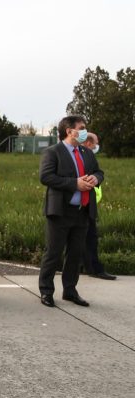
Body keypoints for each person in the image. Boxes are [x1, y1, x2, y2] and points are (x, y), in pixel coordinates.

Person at [39, 116, 104, 307]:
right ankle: (46, 291)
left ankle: (70, 290)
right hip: (60, 211)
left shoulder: (86, 152)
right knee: (53, 253)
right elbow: (46, 177)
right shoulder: (53, 152)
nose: (85, 131)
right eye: (81, 128)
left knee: (75, 254)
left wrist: (96, 178)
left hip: (82, 211)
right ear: (69, 131)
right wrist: (74, 183)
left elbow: (99, 172)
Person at [78, 132, 116, 280]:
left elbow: (99, 172)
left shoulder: (89, 155)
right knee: (72, 239)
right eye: (96, 142)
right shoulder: (69, 154)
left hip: (89, 204)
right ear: (88, 143)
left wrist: (97, 177)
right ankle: (80, 266)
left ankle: (91, 267)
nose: (97, 146)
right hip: (73, 203)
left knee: (90, 237)